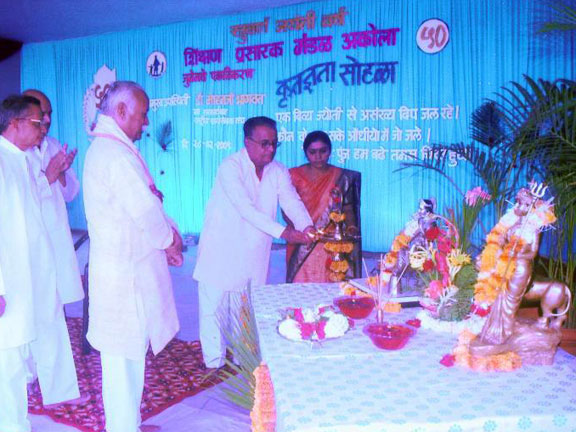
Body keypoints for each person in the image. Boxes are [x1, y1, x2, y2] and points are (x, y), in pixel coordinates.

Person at [83, 81, 183, 432]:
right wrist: (170, 241)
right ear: (121, 111)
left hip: (127, 271)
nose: (146, 123)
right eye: (142, 115)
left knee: (129, 360)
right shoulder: (114, 155)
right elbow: (145, 211)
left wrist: (167, 234)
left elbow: (147, 201)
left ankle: (130, 424)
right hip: (124, 278)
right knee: (121, 367)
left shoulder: (114, 150)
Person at [193, 116, 314, 368]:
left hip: (253, 251)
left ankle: (243, 358)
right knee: (214, 308)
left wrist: (306, 226)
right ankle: (213, 362)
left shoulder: (277, 170)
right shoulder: (230, 167)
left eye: (274, 143)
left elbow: (291, 201)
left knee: (245, 309)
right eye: (264, 143)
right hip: (221, 248)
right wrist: (285, 233)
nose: (270, 149)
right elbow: (245, 209)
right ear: (247, 142)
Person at [22, 89, 85, 406]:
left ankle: (56, 389)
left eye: (49, 114)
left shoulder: (53, 145)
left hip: (55, 243)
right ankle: (29, 378)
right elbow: (20, 202)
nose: (46, 121)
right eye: (40, 116)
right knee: (28, 318)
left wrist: (59, 173)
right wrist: (47, 175)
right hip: (26, 249)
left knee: (51, 314)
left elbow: (71, 192)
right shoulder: (13, 154)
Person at [0, 95, 59, 432]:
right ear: (15, 123)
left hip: (26, 279)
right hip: (7, 284)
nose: (43, 128)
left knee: (18, 358)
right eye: (37, 122)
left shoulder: (20, 160)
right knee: (7, 361)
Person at [285, 130, 361, 283]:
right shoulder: (294, 175)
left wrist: (351, 228)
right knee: (300, 286)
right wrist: (302, 232)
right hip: (303, 241)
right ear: (306, 153)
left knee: (330, 283)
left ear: (330, 151)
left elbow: (347, 207)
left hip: (331, 243)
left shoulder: (341, 176)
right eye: (312, 152)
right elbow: (287, 209)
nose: (318, 156)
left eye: (323, 151)